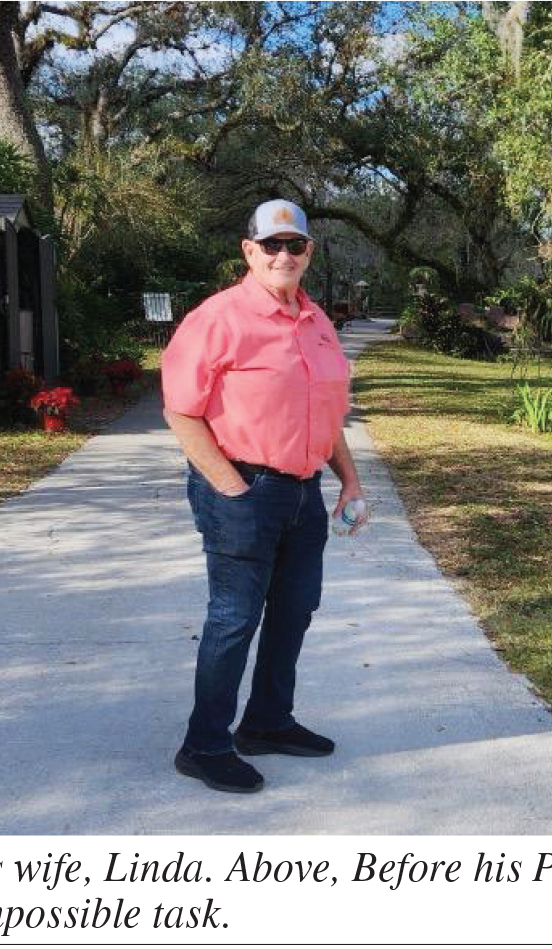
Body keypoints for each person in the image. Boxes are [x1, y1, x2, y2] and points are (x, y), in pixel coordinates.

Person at [160, 198, 366, 795]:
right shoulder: (217, 318)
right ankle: (204, 745)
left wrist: (349, 479)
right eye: (270, 245)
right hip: (243, 489)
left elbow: (326, 415)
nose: (283, 255)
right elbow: (181, 411)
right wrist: (231, 487)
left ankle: (268, 723)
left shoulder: (317, 321)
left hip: (304, 493)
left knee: (295, 611)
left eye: (293, 245)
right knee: (234, 618)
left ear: (308, 252)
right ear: (249, 251)